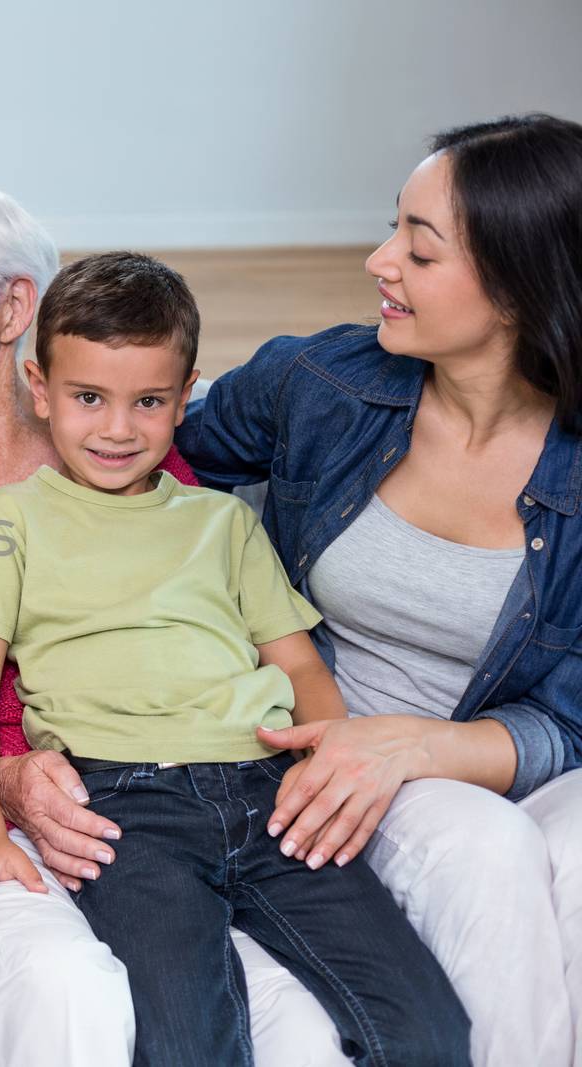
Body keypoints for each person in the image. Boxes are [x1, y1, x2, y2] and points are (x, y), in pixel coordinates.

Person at [0, 251, 470, 1066]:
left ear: (186, 397)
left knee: (426, 1026)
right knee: (186, 1038)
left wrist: (327, 767)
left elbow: (299, 665)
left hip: (270, 789)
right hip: (125, 808)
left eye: (148, 401)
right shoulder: (8, 522)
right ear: (39, 389)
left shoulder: (222, 523)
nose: (117, 428)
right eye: (88, 398)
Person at [176, 113, 582, 1066]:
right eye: (391, 226)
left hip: (516, 758)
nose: (378, 261)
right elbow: (143, 445)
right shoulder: (324, 384)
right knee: (484, 846)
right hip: (335, 760)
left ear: (522, 285)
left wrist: (424, 744)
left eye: (418, 246)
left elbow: (574, 716)